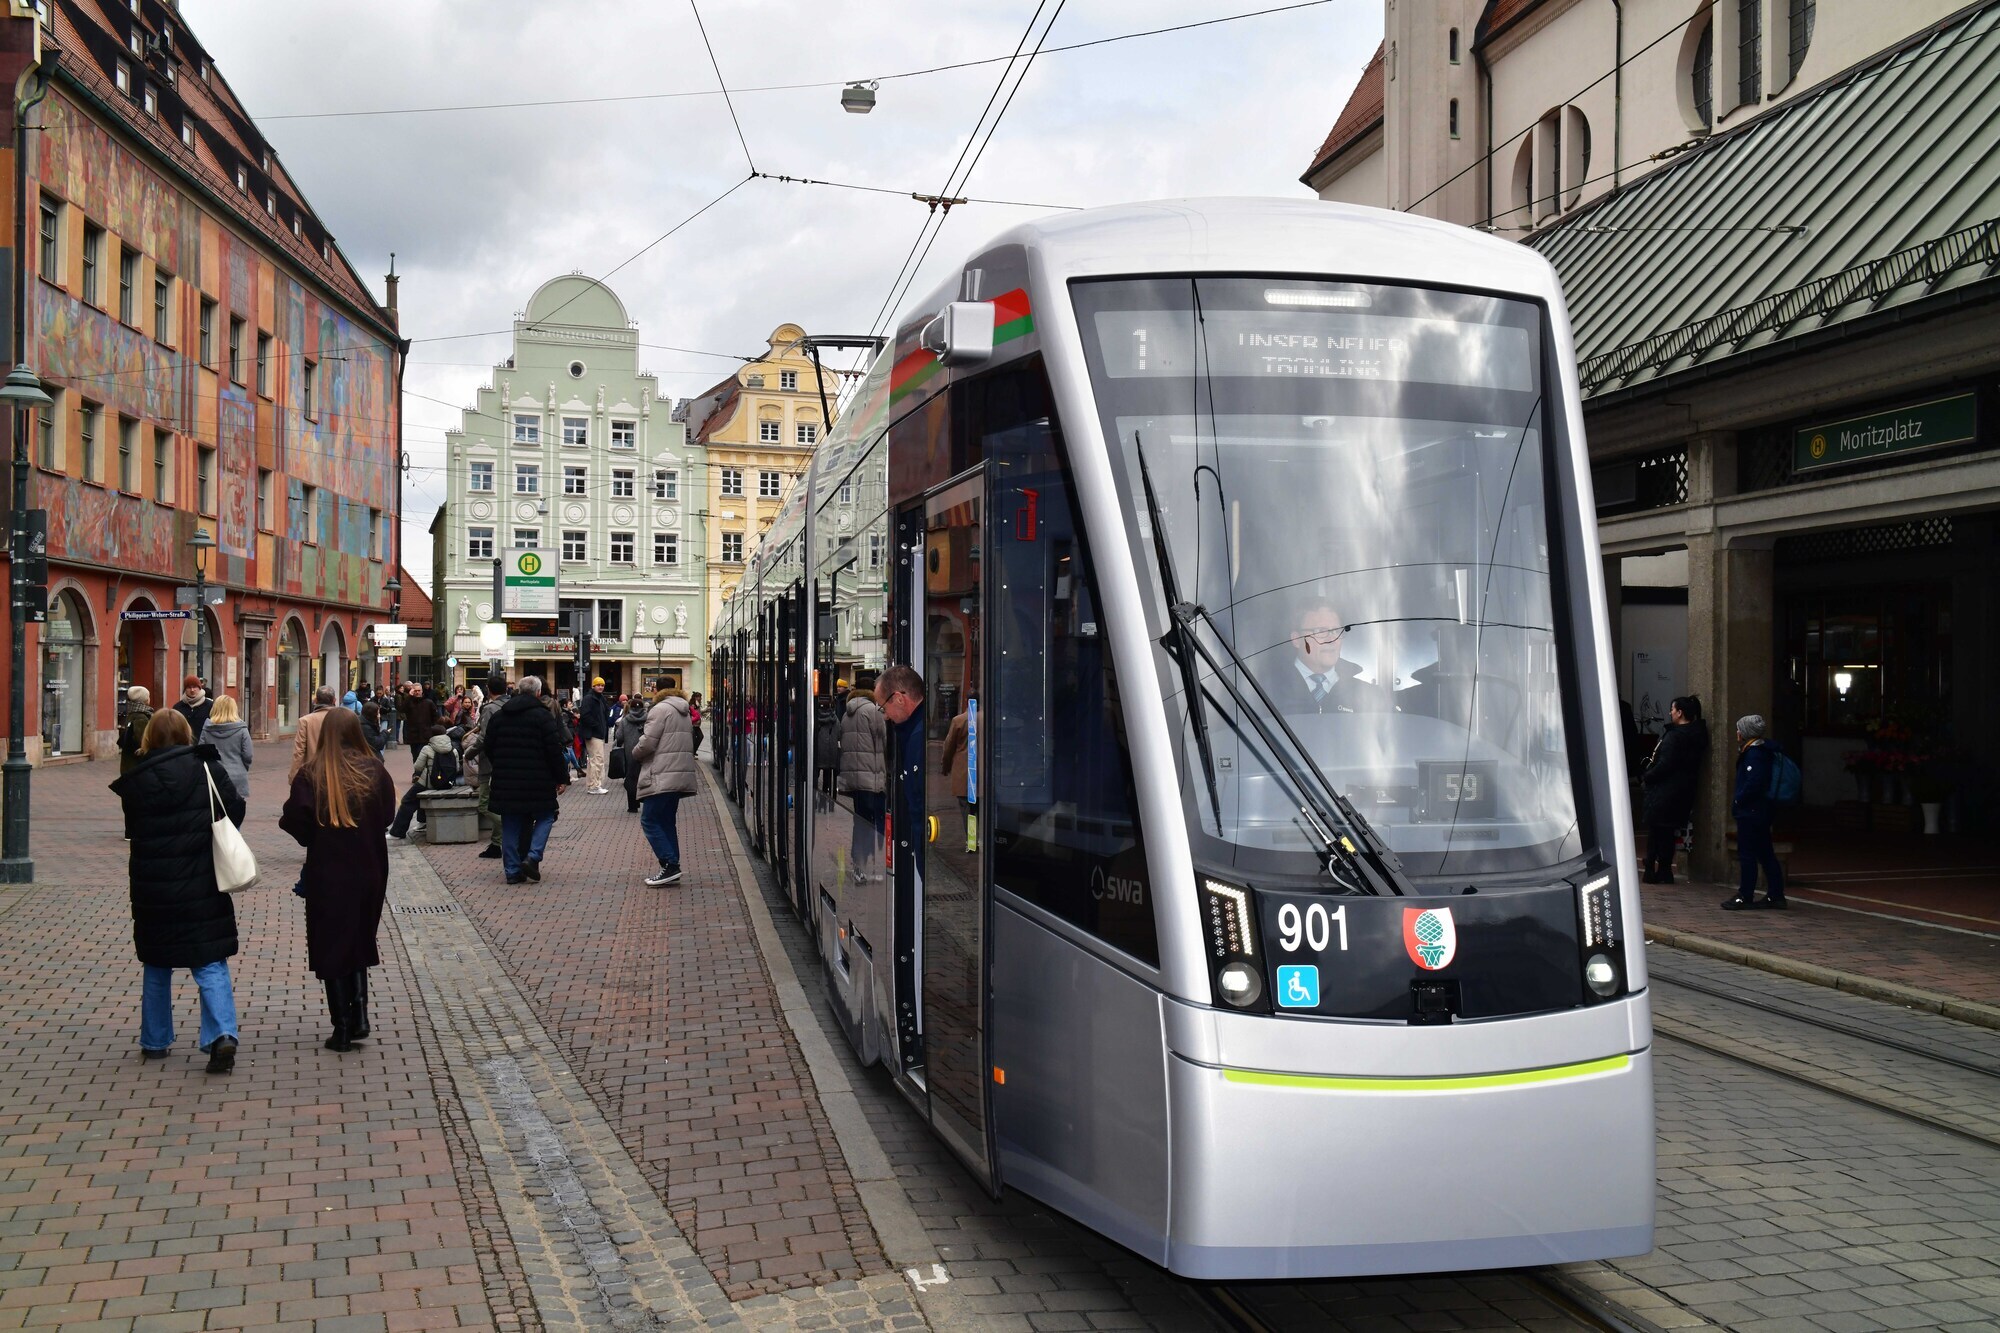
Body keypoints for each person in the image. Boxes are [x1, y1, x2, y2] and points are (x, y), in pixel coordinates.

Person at [109, 709, 245, 1073]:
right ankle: (222, 1036)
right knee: (209, 960)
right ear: (187, 734)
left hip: (154, 883)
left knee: (156, 963)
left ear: (149, 737)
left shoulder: (136, 780)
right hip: (202, 878)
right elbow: (234, 807)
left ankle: (155, 1041)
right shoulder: (206, 768)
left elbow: (133, 826)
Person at [280, 709, 395, 1051]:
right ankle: (359, 1014)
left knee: (331, 943)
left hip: (329, 871)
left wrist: (315, 836)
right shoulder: (375, 770)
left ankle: (342, 1026)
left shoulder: (312, 774)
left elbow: (295, 821)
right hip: (370, 868)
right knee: (359, 937)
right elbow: (388, 815)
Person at [482, 675, 570, 885]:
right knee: (546, 816)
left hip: (507, 780)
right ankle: (533, 856)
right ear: (538, 693)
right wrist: (561, 778)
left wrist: (501, 765)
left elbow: (489, 746)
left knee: (510, 823)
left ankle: (512, 871)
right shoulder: (543, 717)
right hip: (538, 779)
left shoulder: (500, 716)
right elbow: (553, 750)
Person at [1265, 600, 1390, 715]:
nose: (1332, 639)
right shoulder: (1262, 692)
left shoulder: (1370, 696)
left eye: (1336, 631)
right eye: (1320, 631)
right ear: (1296, 639)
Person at [631, 680, 698, 886]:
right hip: (678, 773)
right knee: (667, 821)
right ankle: (671, 865)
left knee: (650, 820)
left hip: (661, 773)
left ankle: (670, 865)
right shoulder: (684, 709)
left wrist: (635, 752)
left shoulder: (660, 709)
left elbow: (648, 742)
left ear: (656, 690)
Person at [1639, 695, 1708, 884]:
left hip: (1664, 791)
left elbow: (1665, 764)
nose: (1670, 712)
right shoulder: (1697, 734)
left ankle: (1652, 870)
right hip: (1682, 790)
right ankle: (1664, 870)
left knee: (1656, 831)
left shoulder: (1675, 736)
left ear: (1680, 712)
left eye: (1673, 709)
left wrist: (1648, 776)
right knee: (1667, 832)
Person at [1723, 714, 1787, 911]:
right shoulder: (1761, 751)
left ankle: (1746, 894)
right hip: (1759, 811)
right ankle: (1775, 894)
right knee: (1765, 852)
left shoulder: (1755, 754)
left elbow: (1754, 783)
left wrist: (1738, 799)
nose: (1737, 733)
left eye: (1739, 729)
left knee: (1748, 854)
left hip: (1751, 811)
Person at [838, 675, 887, 880]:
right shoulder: (873, 712)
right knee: (877, 824)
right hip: (872, 778)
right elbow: (884, 742)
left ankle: (858, 866)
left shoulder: (847, 713)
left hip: (855, 779)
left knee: (860, 822)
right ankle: (874, 867)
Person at [461, 674, 511, 860]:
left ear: (489, 689)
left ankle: (508, 832)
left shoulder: (490, 709)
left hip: (490, 763)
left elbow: (484, 738)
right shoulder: (511, 705)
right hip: (508, 762)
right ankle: (497, 843)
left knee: (484, 804)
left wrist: (469, 754)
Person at [878, 665, 927, 843]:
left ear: (899, 699)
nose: (885, 716)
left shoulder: (920, 738)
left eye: (884, 708)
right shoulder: (912, 731)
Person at [389, 728, 461, 839]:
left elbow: (417, 767)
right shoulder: (453, 749)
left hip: (428, 783)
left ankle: (397, 832)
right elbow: (457, 768)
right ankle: (422, 822)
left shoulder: (427, 748)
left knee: (407, 801)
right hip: (447, 784)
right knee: (420, 798)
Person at [199, 694, 255, 804]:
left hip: (213, 776)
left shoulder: (207, 729)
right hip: (237, 775)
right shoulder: (241, 729)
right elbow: (248, 755)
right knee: (235, 813)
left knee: (215, 814)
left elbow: (201, 752)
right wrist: (243, 768)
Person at [940, 696, 976, 853]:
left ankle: (972, 841)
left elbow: (949, 747)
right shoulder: (988, 719)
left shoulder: (959, 720)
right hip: (984, 770)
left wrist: (946, 766)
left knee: (966, 807)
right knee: (980, 806)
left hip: (964, 769)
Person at [289, 685, 340, 782]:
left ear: (315, 700)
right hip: (338, 771)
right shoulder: (343, 719)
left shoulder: (305, 721)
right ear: (334, 700)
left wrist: (293, 776)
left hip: (314, 773)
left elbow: (299, 751)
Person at [614, 694, 649, 813]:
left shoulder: (625, 720)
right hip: (646, 752)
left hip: (630, 753)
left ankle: (632, 806)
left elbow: (619, 737)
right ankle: (645, 800)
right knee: (645, 777)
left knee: (631, 778)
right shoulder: (649, 719)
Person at [579, 676, 611, 794]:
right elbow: (585, 715)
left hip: (598, 732)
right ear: (593, 686)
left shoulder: (601, 698)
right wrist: (597, 725)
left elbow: (606, 712)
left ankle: (593, 784)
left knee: (595, 759)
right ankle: (594, 786)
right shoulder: (589, 699)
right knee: (597, 759)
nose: (601, 687)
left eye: (602, 685)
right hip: (593, 733)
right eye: (598, 685)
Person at [116, 685, 155, 777]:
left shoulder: (132, 714)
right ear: (144, 700)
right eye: (148, 696)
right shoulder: (141, 718)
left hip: (129, 764)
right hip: (136, 765)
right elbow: (142, 741)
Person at [401, 682, 441, 764]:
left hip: (426, 734)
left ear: (422, 691)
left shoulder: (428, 702)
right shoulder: (409, 702)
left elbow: (435, 717)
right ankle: (417, 774)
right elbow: (402, 709)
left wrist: (433, 729)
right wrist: (409, 696)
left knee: (423, 756)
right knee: (415, 756)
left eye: (419, 690)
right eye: (415, 691)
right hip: (413, 735)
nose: (417, 692)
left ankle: (423, 774)